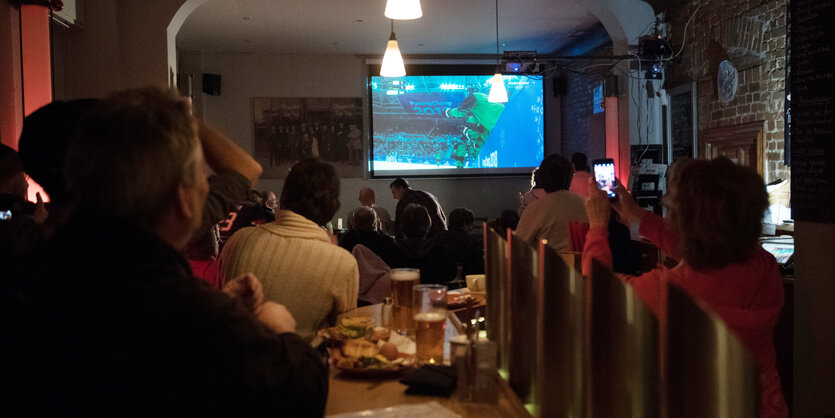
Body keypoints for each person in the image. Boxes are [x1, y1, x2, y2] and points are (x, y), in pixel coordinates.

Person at [12, 87, 327, 416]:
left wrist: (221, 312)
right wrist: (278, 327)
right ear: (183, 197)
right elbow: (304, 390)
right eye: (200, 178)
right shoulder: (184, 309)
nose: (208, 187)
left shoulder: (33, 275)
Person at [582, 157, 787, 418]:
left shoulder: (669, 292)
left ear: (683, 222)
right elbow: (710, 247)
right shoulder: (766, 269)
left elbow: (597, 292)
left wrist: (597, 227)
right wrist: (637, 214)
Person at [219, 158, 359, 343]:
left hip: (230, 366)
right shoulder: (343, 262)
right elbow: (348, 338)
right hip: (301, 367)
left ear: (283, 197)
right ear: (332, 206)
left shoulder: (238, 239)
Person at [515, 154, 588, 252]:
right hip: (583, 266)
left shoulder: (535, 209)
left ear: (542, 178)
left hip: (547, 266)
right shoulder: (586, 205)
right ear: (570, 177)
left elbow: (518, 248)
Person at [388, 204, 457, 284]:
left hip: (402, 294)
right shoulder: (440, 252)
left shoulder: (391, 252)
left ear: (402, 225)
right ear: (428, 224)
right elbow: (451, 275)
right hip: (433, 294)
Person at [436, 207, 484, 277]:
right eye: (471, 224)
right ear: (464, 224)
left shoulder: (439, 237)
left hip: (440, 276)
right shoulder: (471, 243)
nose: (472, 227)